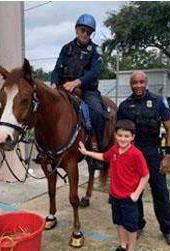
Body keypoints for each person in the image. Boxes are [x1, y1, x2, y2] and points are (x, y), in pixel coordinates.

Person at [79, 120, 150, 251]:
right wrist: (87, 153)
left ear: (132, 137)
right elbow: (104, 156)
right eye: (120, 135)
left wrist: (136, 194)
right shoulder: (115, 150)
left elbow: (145, 176)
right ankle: (122, 246)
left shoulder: (136, 154)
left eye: (126, 136)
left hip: (129, 198)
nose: (122, 139)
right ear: (115, 136)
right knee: (119, 222)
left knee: (131, 226)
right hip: (115, 196)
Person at [117, 71, 170, 247]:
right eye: (135, 82)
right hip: (133, 153)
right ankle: (138, 224)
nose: (138, 85)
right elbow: (118, 132)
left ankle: (167, 230)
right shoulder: (124, 106)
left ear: (146, 82)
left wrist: (167, 155)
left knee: (160, 193)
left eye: (141, 82)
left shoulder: (158, 101)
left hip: (153, 152)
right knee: (135, 193)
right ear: (130, 84)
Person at [51, 14, 106, 169]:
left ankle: (97, 148)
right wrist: (54, 83)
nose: (85, 34)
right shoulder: (66, 48)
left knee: (98, 113)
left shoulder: (95, 50)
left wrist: (76, 82)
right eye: (83, 30)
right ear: (76, 29)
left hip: (87, 90)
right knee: (45, 108)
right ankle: (45, 148)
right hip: (64, 88)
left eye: (89, 32)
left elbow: (95, 71)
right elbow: (56, 69)